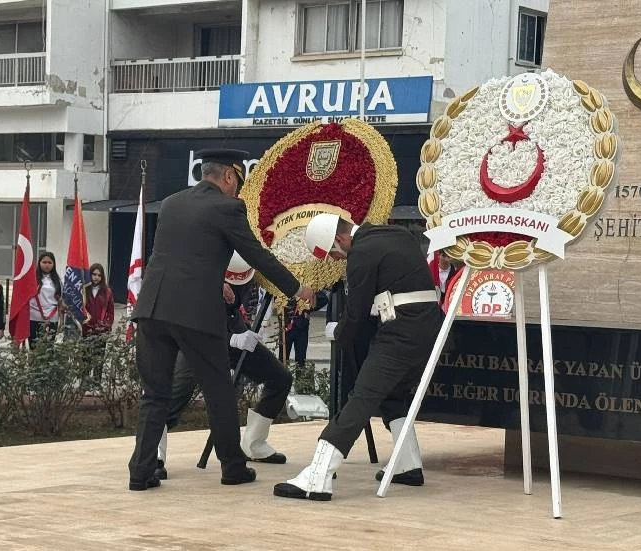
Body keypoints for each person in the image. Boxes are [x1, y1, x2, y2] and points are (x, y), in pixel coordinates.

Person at [128, 148, 315, 492]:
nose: (237, 189)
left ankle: (141, 472)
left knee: (154, 394)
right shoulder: (228, 207)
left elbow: (179, 255)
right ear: (229, 175)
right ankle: (233, 467)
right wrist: (296, 287)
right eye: (237, 181)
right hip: (195, 313)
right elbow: (256, 255)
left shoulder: (171, 203)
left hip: (152, 309)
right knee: (219, 392)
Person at [274, 213, 441, 502]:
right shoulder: (396, 234)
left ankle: (318, 477)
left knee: (361, 397)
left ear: (341, 239)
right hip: (428, 326)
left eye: (334, 254)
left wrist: (338, 333)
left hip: (401, 330)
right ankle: (408, 463)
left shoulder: (361, 253)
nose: (337, 260)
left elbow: (357, 309)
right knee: (393, 395)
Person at [154, 252, 294, 481]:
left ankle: (254, 444)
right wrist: (231, 338)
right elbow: (193, 317)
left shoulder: (245, 265)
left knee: (280, 378)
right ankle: (154, 455)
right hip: (196, 337)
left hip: (232, 329)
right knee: (176, 394)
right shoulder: (198, 274)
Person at [29, 251, 62, 347]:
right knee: (34, 346)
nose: (47, 265)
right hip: (34, 317)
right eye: (44, 262)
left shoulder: (57, 280)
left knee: (49, 347)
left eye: (49, 262)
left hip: (52, 318)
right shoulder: (32, 279)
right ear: (39, 263)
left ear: (53, 264)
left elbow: (59, 300)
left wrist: (61, 320)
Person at [83, 263, 115, 337]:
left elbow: (110, 312)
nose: (96, 277)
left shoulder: (107, 292)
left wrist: (106, 326)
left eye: (99, 275)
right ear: (89, 274)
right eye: (94, 274)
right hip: (85, 329)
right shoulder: (84, 290)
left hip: (101, 330)